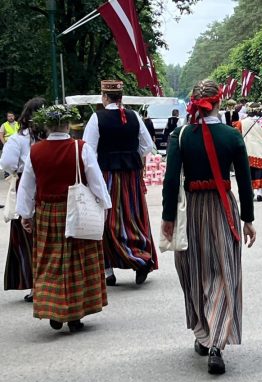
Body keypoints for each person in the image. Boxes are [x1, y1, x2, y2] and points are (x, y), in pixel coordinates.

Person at [161, 79, 256, 375]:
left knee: (193, 271)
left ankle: (203, 333)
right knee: (223, 272)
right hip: (222, 207)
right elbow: (244, 182)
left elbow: (170, 180)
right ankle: (217, 342)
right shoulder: (232, 136)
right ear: (218, 102)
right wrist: (248, 219)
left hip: (191, 210)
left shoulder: (181, 136)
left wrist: (167, 218)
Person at [16, 104, 111, 332]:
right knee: (78, 261)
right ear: (68, 124)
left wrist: (25, 214)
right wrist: (104, 206)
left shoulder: (35, 151)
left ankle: (55, 309)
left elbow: (27, 186)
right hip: (77, 212)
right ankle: (76, 313)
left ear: (46, 126)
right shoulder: (81, 148)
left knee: (50, 261)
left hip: (48, 212)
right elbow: (96, 180)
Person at [83, 80, 156, 286]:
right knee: (133, 216)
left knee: (108, 219)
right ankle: (140, 257)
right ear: (121, 97)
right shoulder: (134, 117)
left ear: (104, 97)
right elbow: (147, 145)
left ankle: (108, 270)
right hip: (130, 175)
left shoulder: (97, 118)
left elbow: (89, 151)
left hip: (107, 175)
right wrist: (131, 156)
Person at [0, 97, 45, 302]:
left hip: (26, 185)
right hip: (49, 184)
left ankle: (36, 285)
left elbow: (7, 163)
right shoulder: (51, 136)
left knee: (27, 236)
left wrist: (17, 171)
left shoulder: (18, 139)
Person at [240, 102, 262, 201]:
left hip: (249, 149)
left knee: (250, 171)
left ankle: (251, 191)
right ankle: (259, 192)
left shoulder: (243, 121)